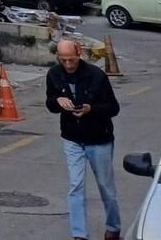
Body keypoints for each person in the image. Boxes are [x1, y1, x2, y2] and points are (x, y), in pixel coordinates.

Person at [46, 38, 121, 240]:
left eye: (71, 60)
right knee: (76, 185)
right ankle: (79, 234)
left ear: (79, 54)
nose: (68, 65)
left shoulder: (96, 76)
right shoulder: (54, 74)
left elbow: (113, 108)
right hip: (72, 138)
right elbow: (50, 103)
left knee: (106, 186)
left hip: (99, 138)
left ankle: (113, 227)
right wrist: (57, 101)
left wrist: (91, 109)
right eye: (64, 60)